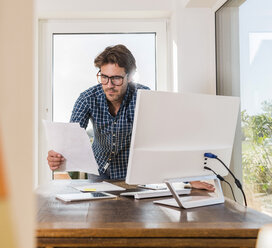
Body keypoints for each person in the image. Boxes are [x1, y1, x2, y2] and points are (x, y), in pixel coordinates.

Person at [47, 44, 214, 191]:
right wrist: (57, 157)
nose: (109, 85)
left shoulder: (144, 96)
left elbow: (165, 138)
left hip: (134, 174)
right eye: (104, 77)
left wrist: (188, 176)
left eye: (116, 78)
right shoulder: (87, 98)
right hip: (98, 172)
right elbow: (72, 138)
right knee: (100, 222)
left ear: (130, 76)